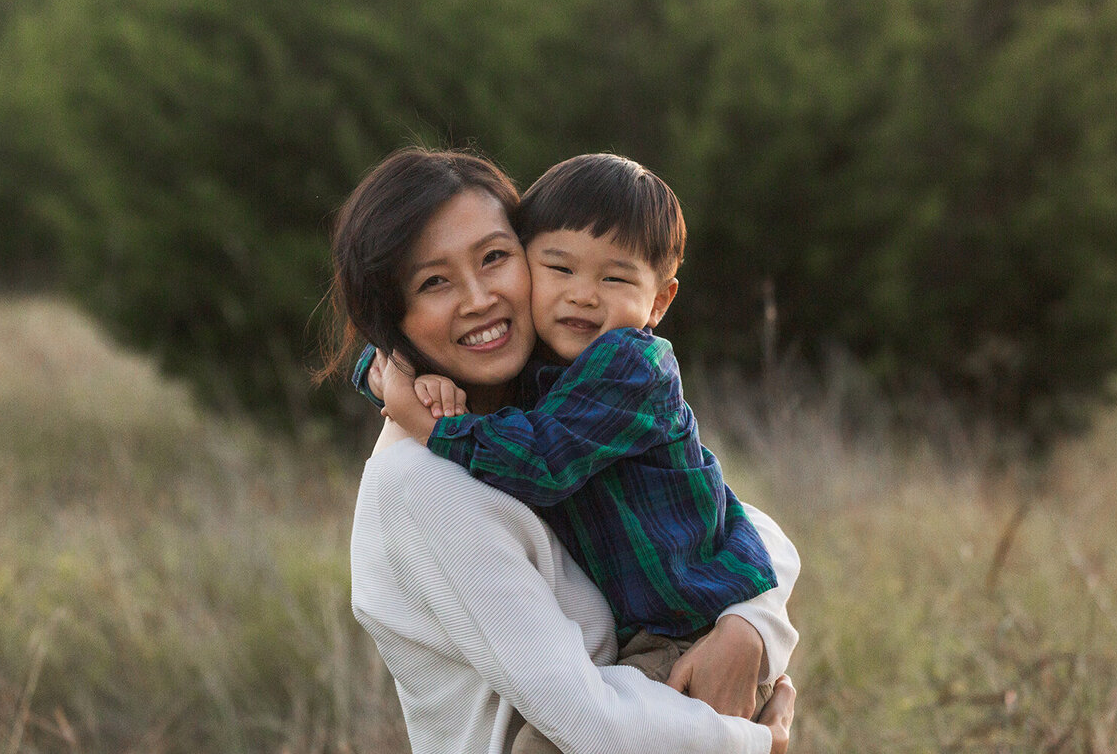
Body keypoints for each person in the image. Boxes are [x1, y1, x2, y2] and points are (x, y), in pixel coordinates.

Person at [324, 147, 798, 754]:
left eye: (494, 258)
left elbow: (741, 521)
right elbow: (589, 724)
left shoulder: (543, 399)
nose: (478, 299)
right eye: (434, 281)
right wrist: (757, 742)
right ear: (393, 315)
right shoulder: (424, 483)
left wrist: (748, 627)